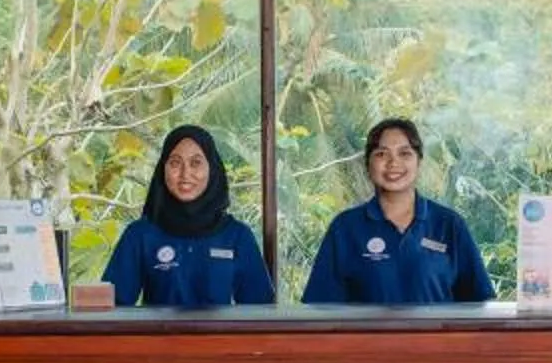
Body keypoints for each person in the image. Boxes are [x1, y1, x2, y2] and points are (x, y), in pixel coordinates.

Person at [300, 117, 494, 306]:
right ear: (368, 164)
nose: (393, 163)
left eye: (405, 153)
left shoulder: (449, 224)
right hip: (366, 340)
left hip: (436, 340)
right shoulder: (344, 228)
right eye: (382, 154)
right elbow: (321, 309)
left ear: (419, 162)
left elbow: (478, 305)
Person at [102, 125, 276, 308]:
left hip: (222, 337)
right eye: (176, 163)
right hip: (157, 337)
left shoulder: (237, 236)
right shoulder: (140, 235)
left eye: (196, 163)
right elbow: (113, 309)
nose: (185, 174)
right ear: (163, 169)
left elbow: (260, 311)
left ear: (212, 169)